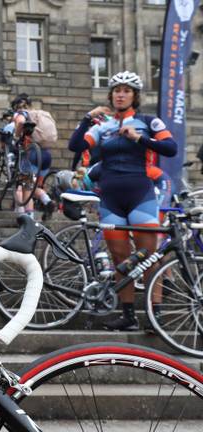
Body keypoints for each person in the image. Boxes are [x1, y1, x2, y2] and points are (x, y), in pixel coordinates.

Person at [68, 71, 177, 331]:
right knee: (120, 259)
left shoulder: (149, 122)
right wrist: (86, 118)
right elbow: (75, 146)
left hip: (140, 194)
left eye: (126, 91)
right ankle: (128, 315)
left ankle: (155, 313)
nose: (120, 94)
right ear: (111, 95)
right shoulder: (102, 126)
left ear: (134, 96)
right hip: (111, 199)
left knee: (149, 256)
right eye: (117, 90)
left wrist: (139, 138)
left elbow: (171, 148)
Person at [9, 94, 56, 219]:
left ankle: (29, 217)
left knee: (27, 187)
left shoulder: (22, 113)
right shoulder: (40, 113)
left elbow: (20, 122)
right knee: (34, 186)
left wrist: (16, 136)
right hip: (45, 156)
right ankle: (47, 200)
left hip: (32, 155)